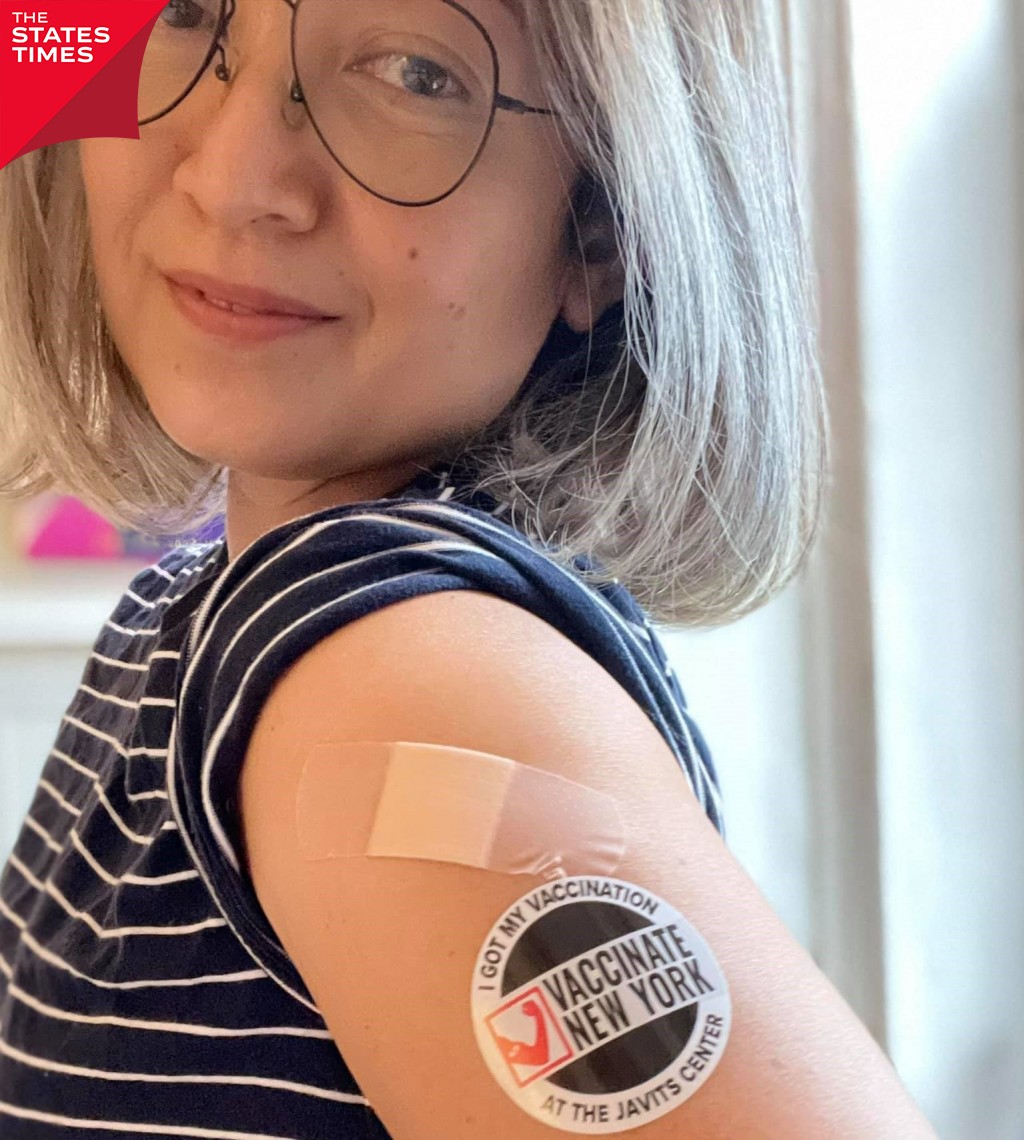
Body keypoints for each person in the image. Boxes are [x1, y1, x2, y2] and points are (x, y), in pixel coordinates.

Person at [0, 0, 938, 1136]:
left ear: (599, 232)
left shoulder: (393, 682)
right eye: (189, 12)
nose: (233, 179)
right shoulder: (204, 624)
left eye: (415, 74)